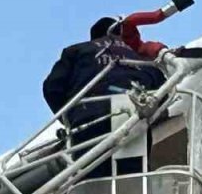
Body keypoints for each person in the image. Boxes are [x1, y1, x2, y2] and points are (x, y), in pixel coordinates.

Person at [42, 12, 170, 178]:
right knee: (133, 181)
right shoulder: (141, 59)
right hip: (133, 119)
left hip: (88, 119)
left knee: (91, 179)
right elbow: (163, 92)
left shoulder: (77, 51)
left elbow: (52, 88)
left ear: (93, 37)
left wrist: (69, 117)